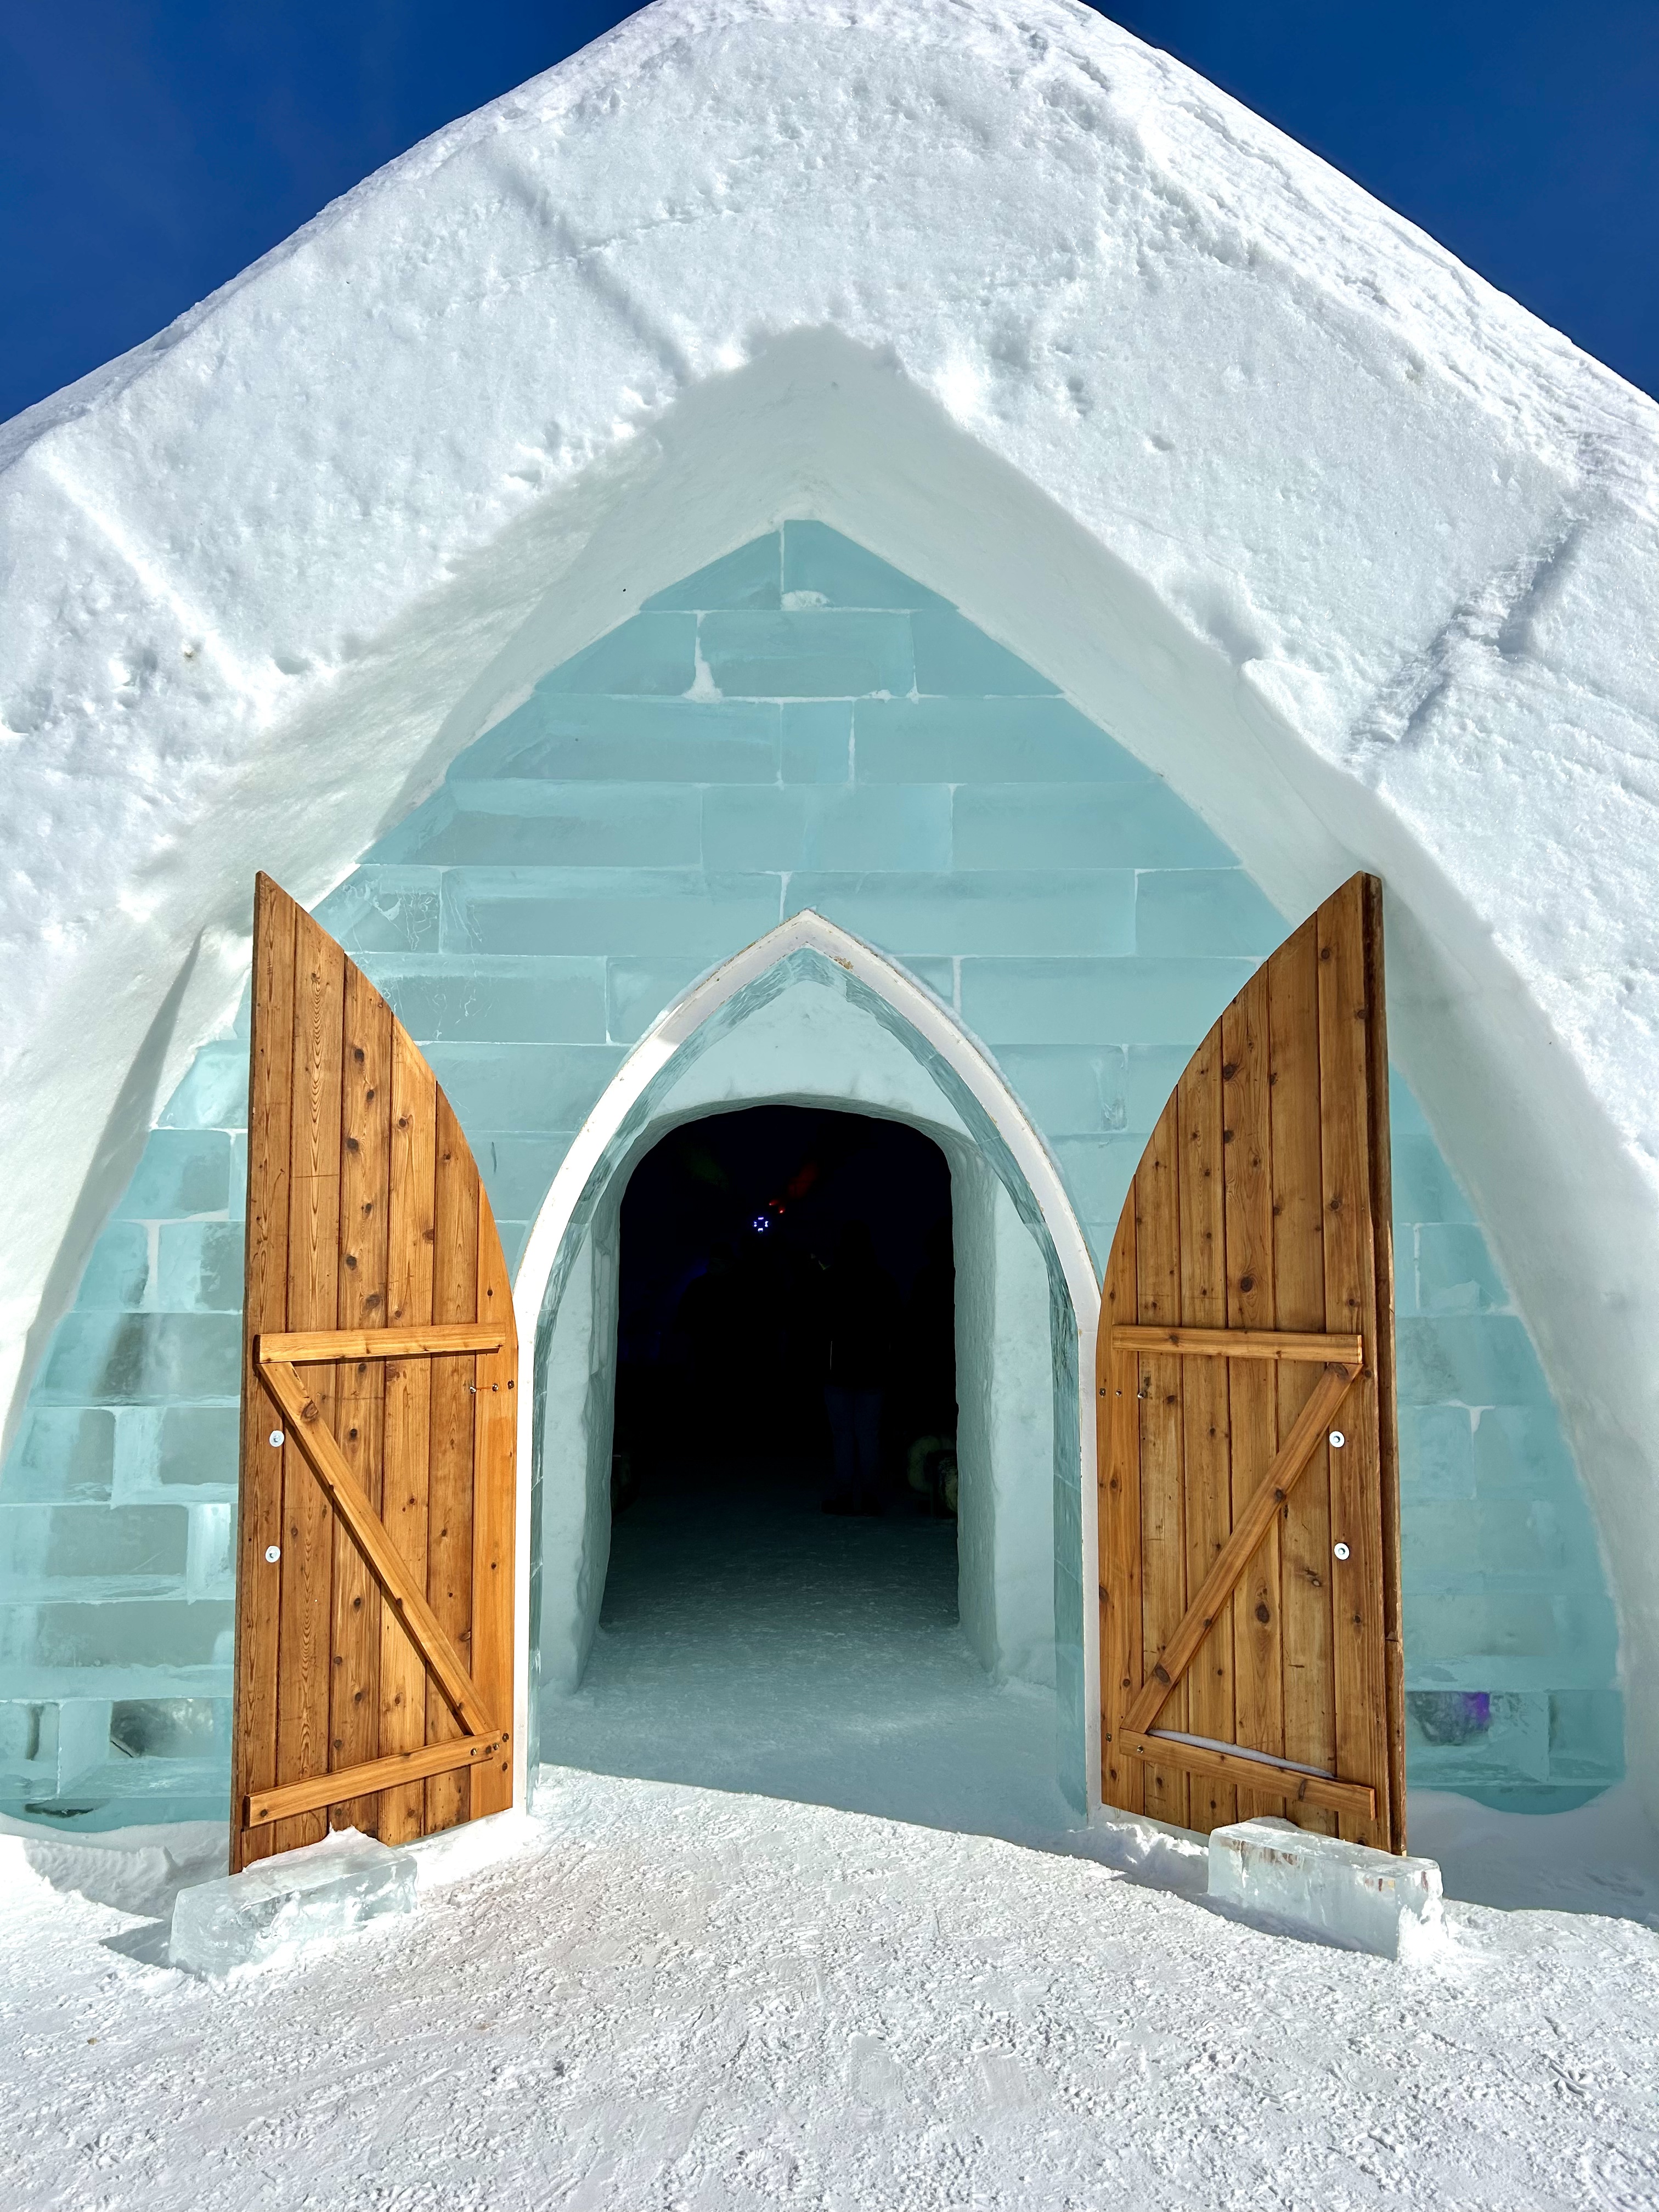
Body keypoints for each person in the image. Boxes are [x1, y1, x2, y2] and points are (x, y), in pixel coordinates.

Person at [821, 1221, 901, 1515]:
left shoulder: (830, 1280)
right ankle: (870, 1497)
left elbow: (818, 1323)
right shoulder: (883, 1280)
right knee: (869, 1435)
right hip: (873, 1369)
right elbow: (895, 1323)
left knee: (843, 1435)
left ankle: (844, 1496)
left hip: (838, 1368)